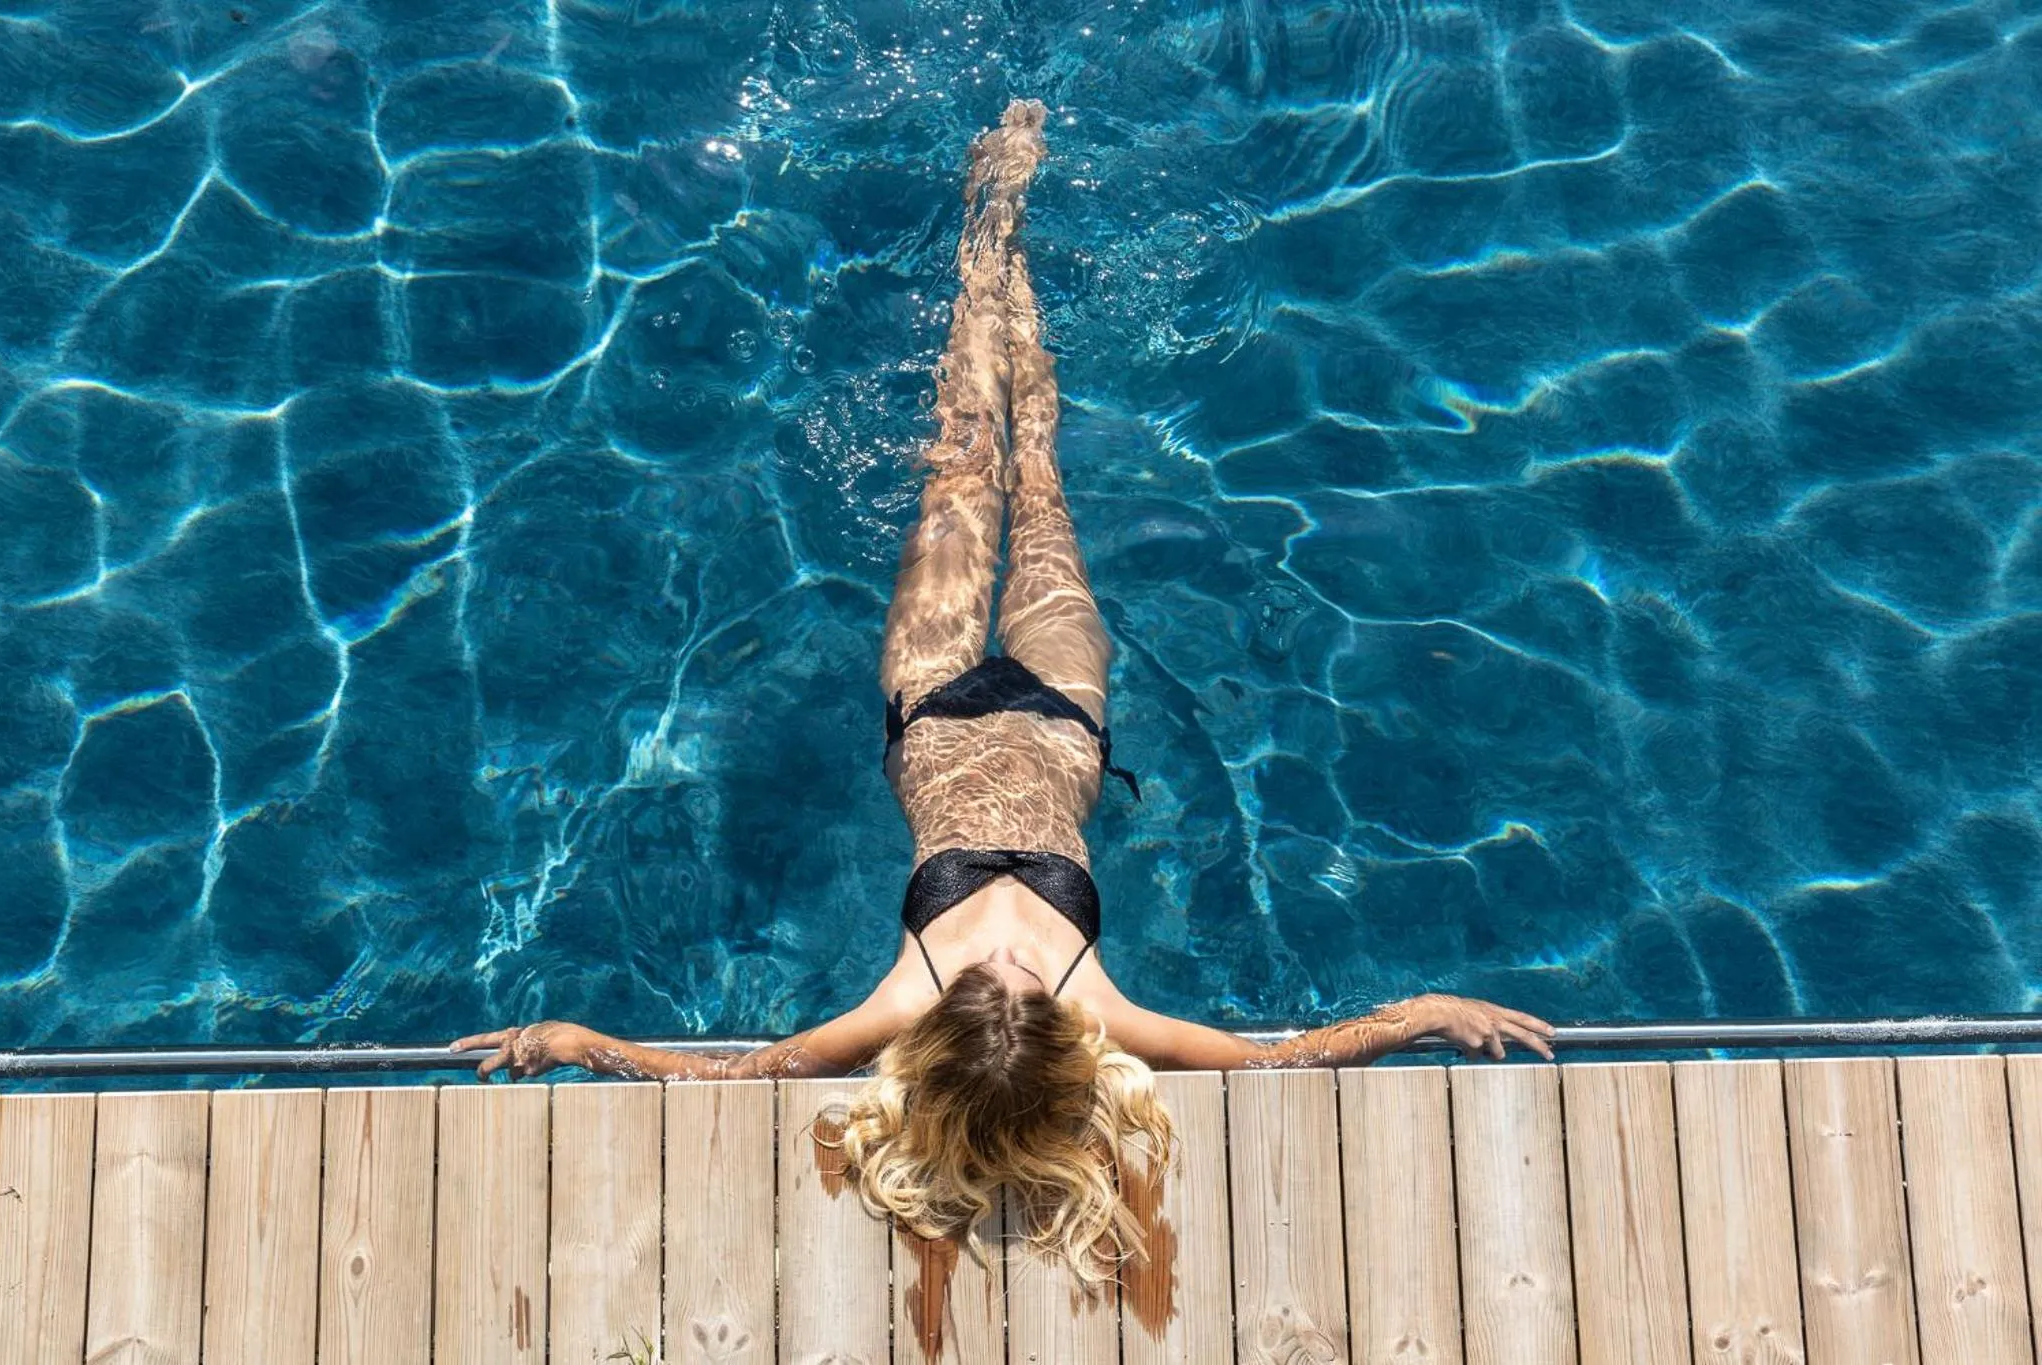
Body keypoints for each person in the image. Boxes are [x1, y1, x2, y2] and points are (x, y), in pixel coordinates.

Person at [455, 99, 1554, 1283]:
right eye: (1022, 992)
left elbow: (739, 1075)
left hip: (947, 706)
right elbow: (1270, 1062)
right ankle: (1005, 218)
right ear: (1051, 1041)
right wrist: (1414, 1016)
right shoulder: (1091, 1008)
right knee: (1032, 464)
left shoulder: (910, 1001)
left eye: (997, 990)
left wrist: (579, 1040)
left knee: (966, 448)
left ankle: (990, 226)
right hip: (1044, 711)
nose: (1012, 973)